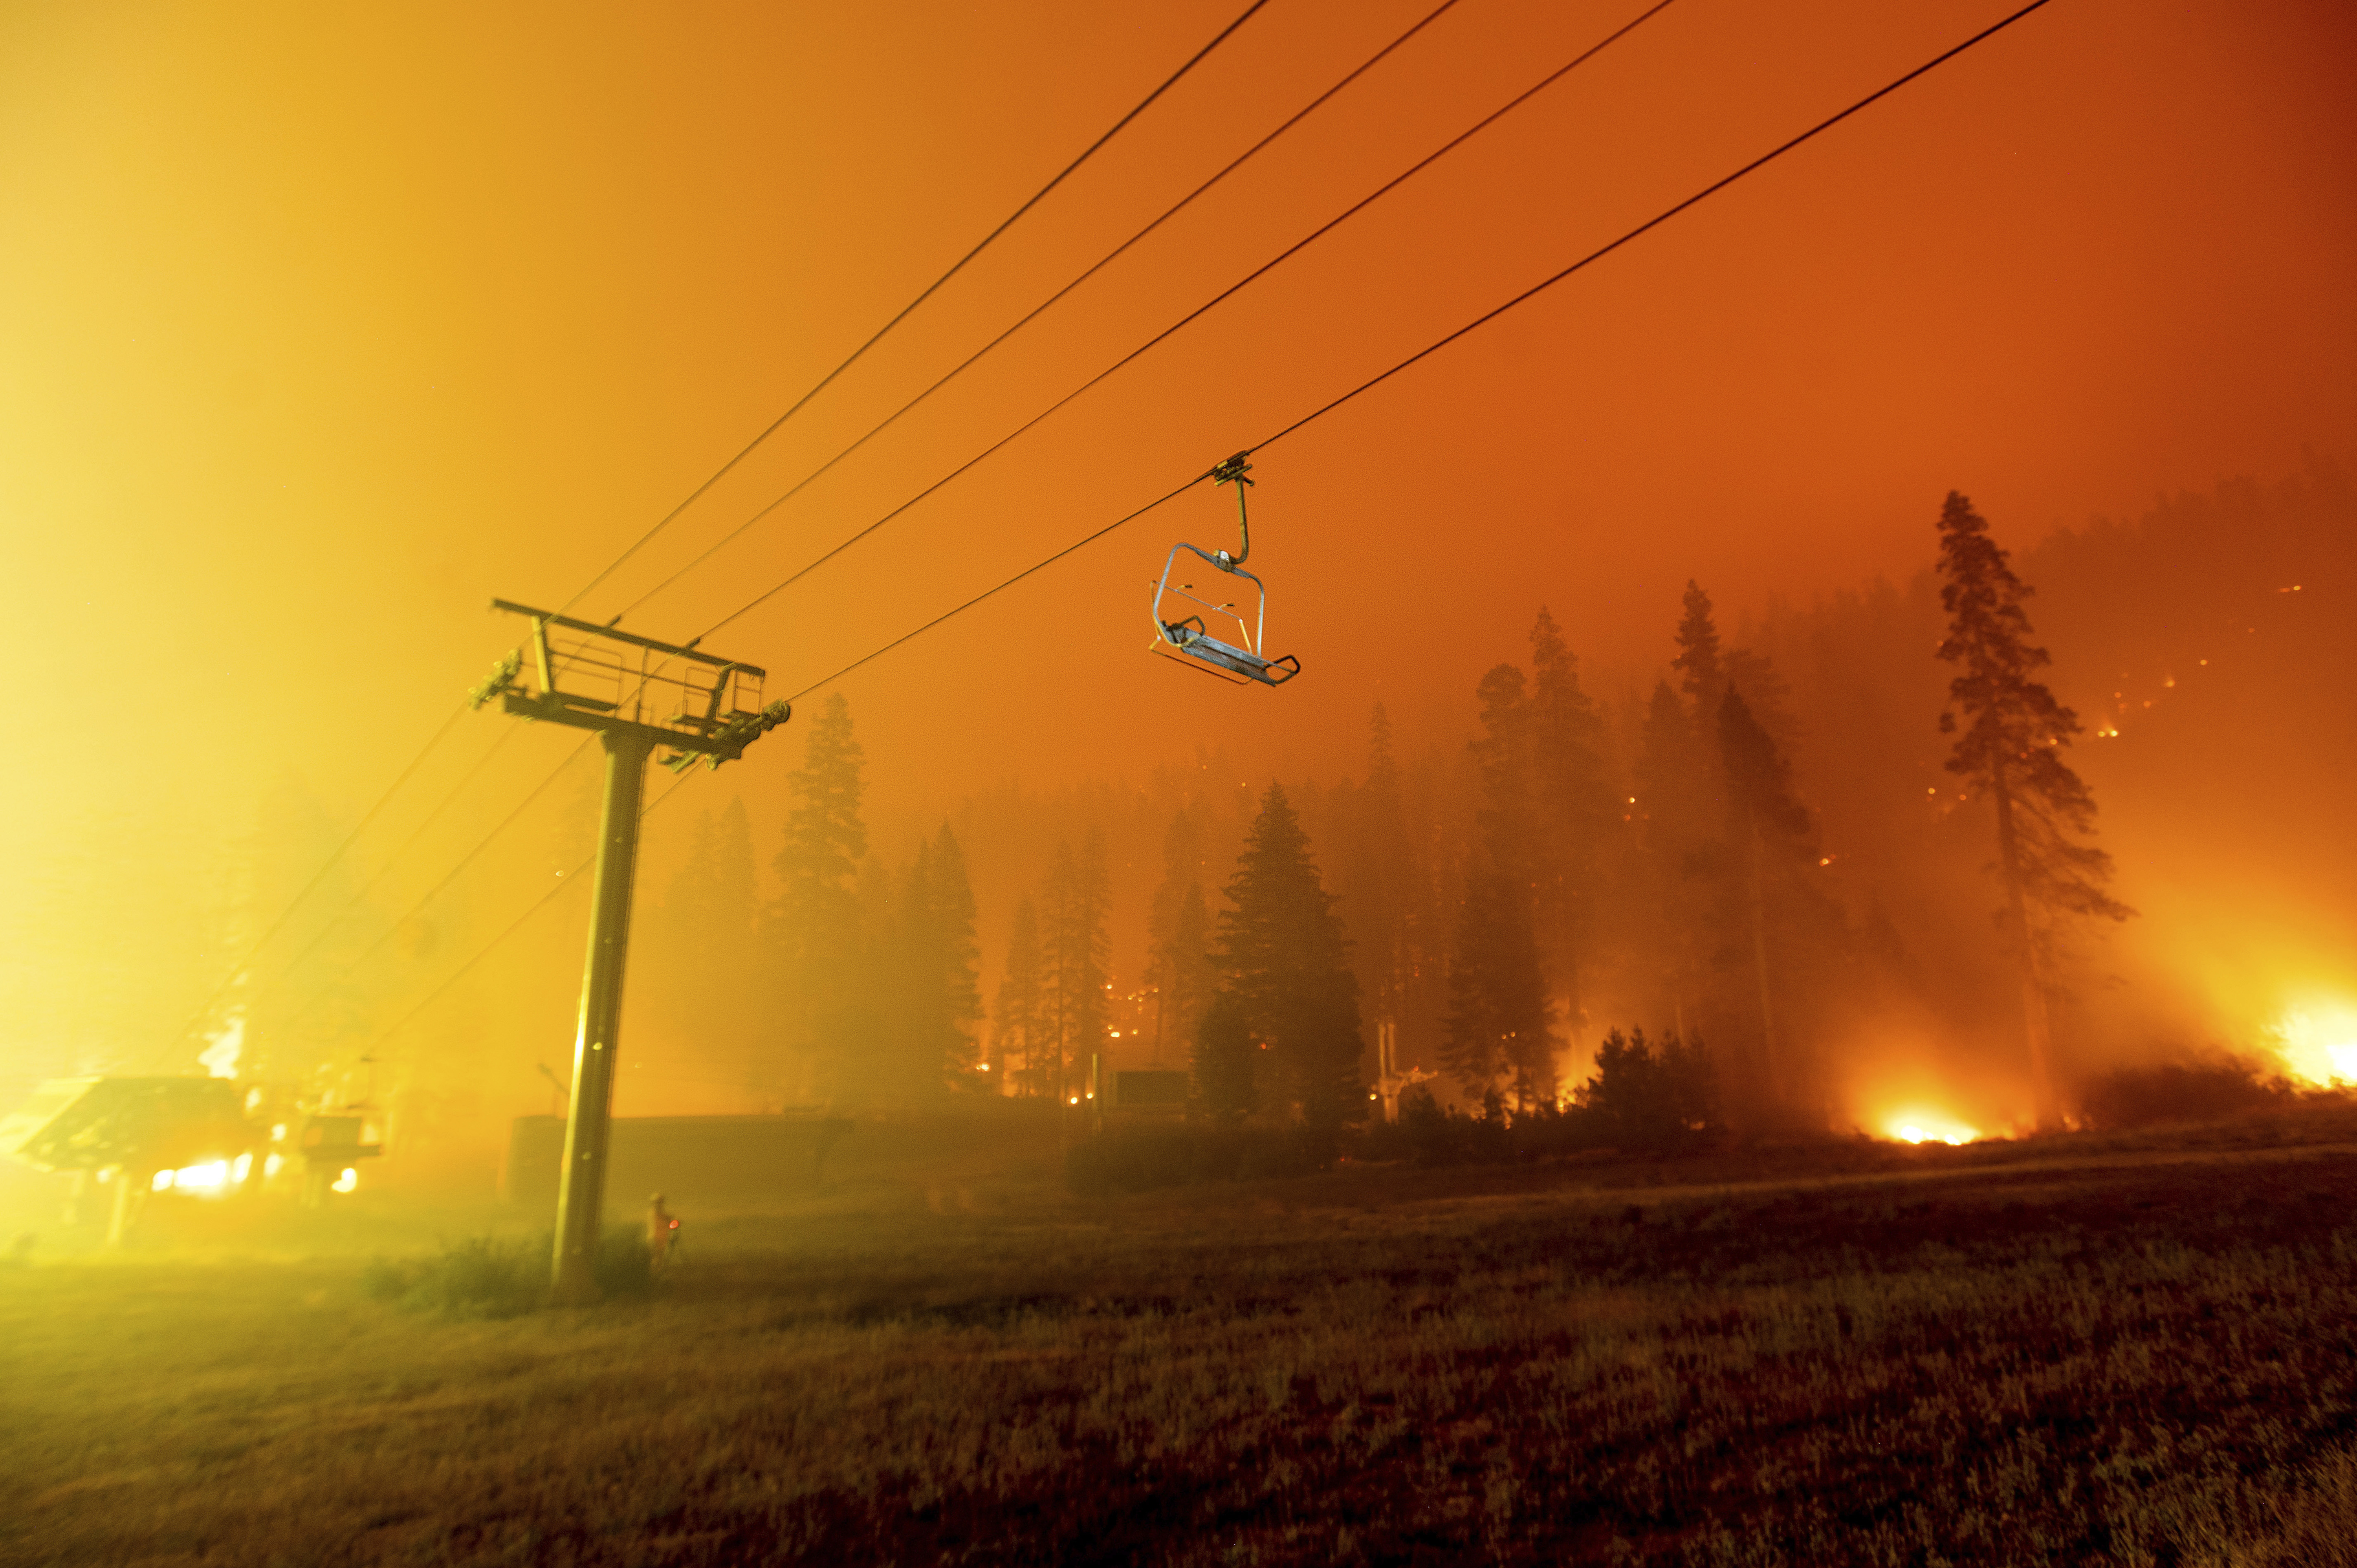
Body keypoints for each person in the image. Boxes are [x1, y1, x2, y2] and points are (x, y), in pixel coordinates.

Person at [647, 1192, 680, 1269]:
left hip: (662, 1238)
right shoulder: (653, 1214)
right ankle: (655, 1272)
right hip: (654, 1238)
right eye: (658, 1202)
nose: (659, 1204)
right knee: (656, 1257)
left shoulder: (662, 1214)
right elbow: (663, 1220)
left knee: (660, 1257)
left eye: (660, 1202)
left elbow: (668, 1222)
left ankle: (657, 1272)